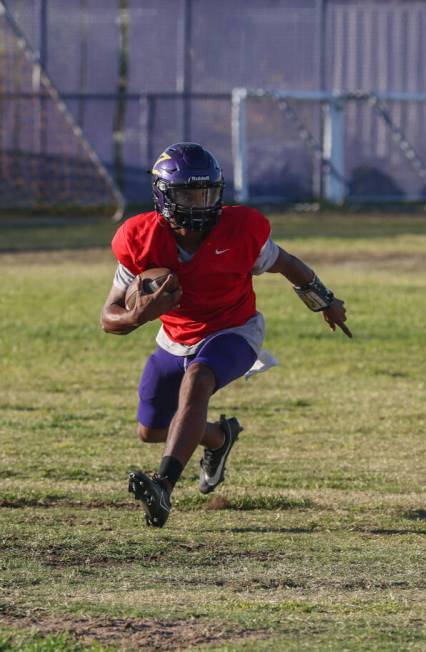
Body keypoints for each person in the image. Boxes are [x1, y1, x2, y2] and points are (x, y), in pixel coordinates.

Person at [101, 142, 351, 528]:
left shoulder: (240, 230)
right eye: (187, 194)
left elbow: (286, 264)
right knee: (150, 430)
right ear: (164, 195)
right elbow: (109, 316)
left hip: (234, 328)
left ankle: (163, 485)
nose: (199, 203)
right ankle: (219, 438)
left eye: (206, 193)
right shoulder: (140, 239)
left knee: (198, 380)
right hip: (175, 337)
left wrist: (324, 300)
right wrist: (138, 315)